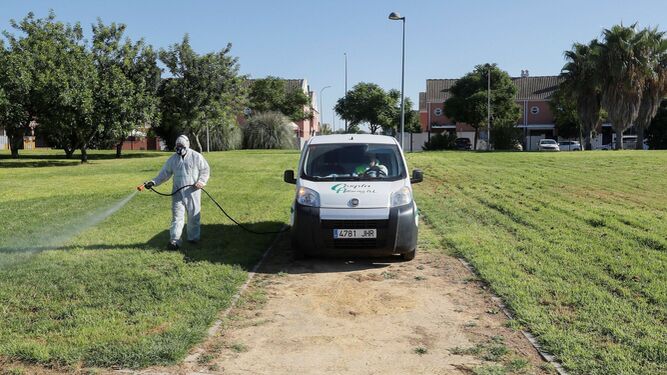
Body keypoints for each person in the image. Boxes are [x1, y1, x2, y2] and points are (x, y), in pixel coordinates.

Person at [143, 135, 210, 250]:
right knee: (177, 217)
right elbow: (164, 174)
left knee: (193, 216)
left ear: (187, 145)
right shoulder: (173, 159)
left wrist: (201, 182)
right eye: (177, 146)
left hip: (192, 192)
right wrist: (153, 182)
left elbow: (205, 170)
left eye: (182, 146)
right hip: (177, 193)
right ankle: (175, 241)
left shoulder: (196, 156)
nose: (179, 148)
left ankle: (193, 238)